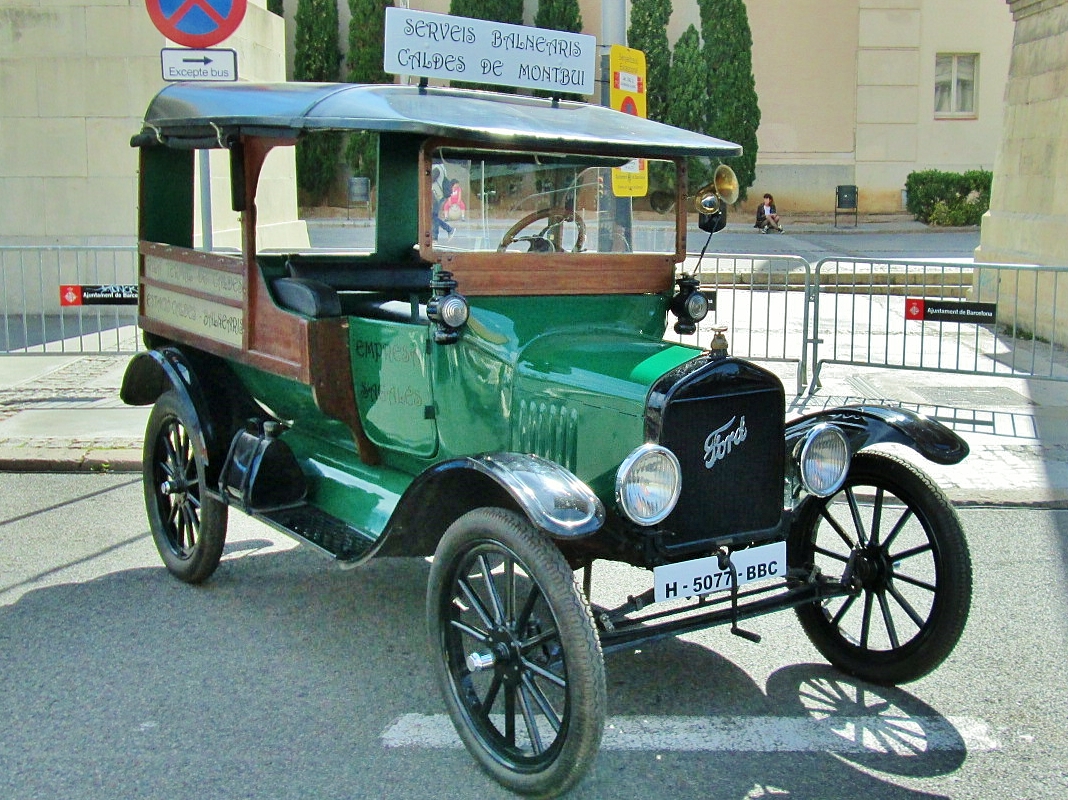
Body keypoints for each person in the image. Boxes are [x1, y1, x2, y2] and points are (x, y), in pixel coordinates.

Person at [431, 166, 454, 241]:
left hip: (437, 196)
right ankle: (449, 230)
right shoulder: (441, 167)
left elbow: (430, 179)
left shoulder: (437, 168)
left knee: (433, 216)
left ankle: (435, 238)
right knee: (433, 216)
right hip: (438, 195)